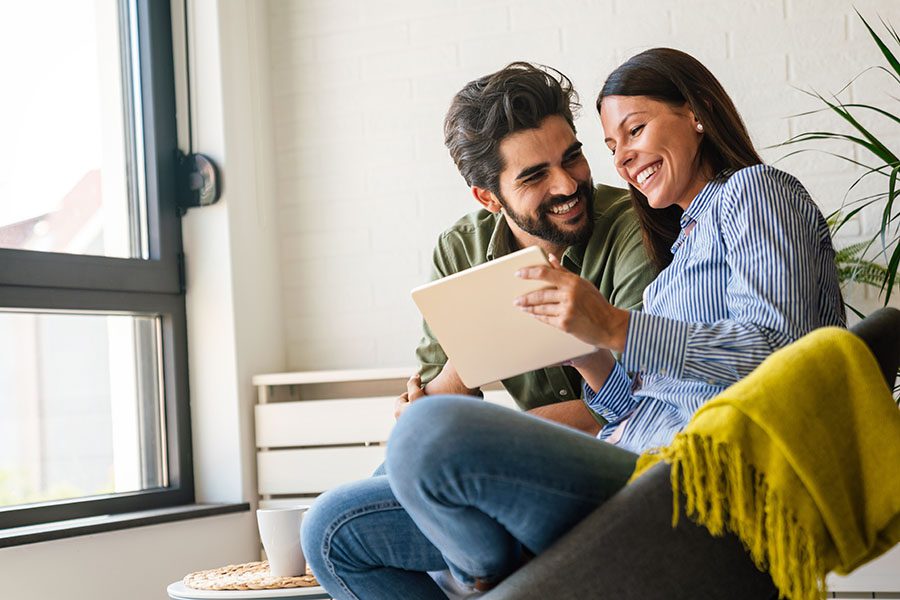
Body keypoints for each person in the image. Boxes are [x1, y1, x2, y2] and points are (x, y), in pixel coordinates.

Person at [302, 48, 846, 600]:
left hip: (680, 484)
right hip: (632, 465)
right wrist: (583, 351)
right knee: (329, 527)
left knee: (428, 434)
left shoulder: (754, 192)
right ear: (489, 197)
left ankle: (482, 572)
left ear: (697, 111)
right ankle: (489, 563)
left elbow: (783, 357)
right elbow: (638, 405)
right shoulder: (682, 246)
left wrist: (612, 326)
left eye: (634, 131)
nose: (624, 160)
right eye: (613, 146)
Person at [398, 62, 654, 433]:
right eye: (535, 176)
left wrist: (500, 432)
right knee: (346, 495)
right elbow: (434, 409)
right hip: (502, 453)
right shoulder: (459, 250)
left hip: (618, 447)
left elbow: (639, 396)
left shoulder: (633, 225)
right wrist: (477, 342)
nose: (567, 185)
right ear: (488, 198)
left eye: (572, 157)